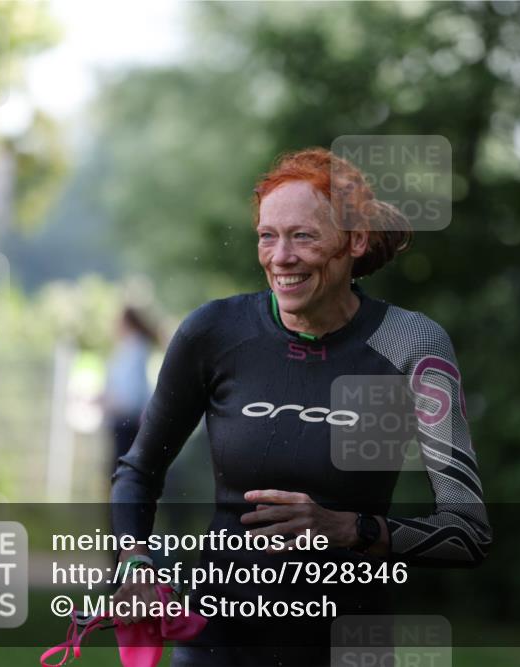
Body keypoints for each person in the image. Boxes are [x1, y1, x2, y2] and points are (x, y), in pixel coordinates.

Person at [110, 147, 491, 666]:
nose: (280, 257)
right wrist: (135, 563)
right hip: (216, 644)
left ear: (354, 242)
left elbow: (467, 533)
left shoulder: (410, 345)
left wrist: (351, 528)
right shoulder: (216, 333)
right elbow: (138, 470)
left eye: (304, 236)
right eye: (268, 236)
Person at [103, 306, 158, 467]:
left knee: (123, 467)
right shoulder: (128, 348)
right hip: (122, 416)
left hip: (128, 417)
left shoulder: (135, 349)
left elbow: (130, 392)